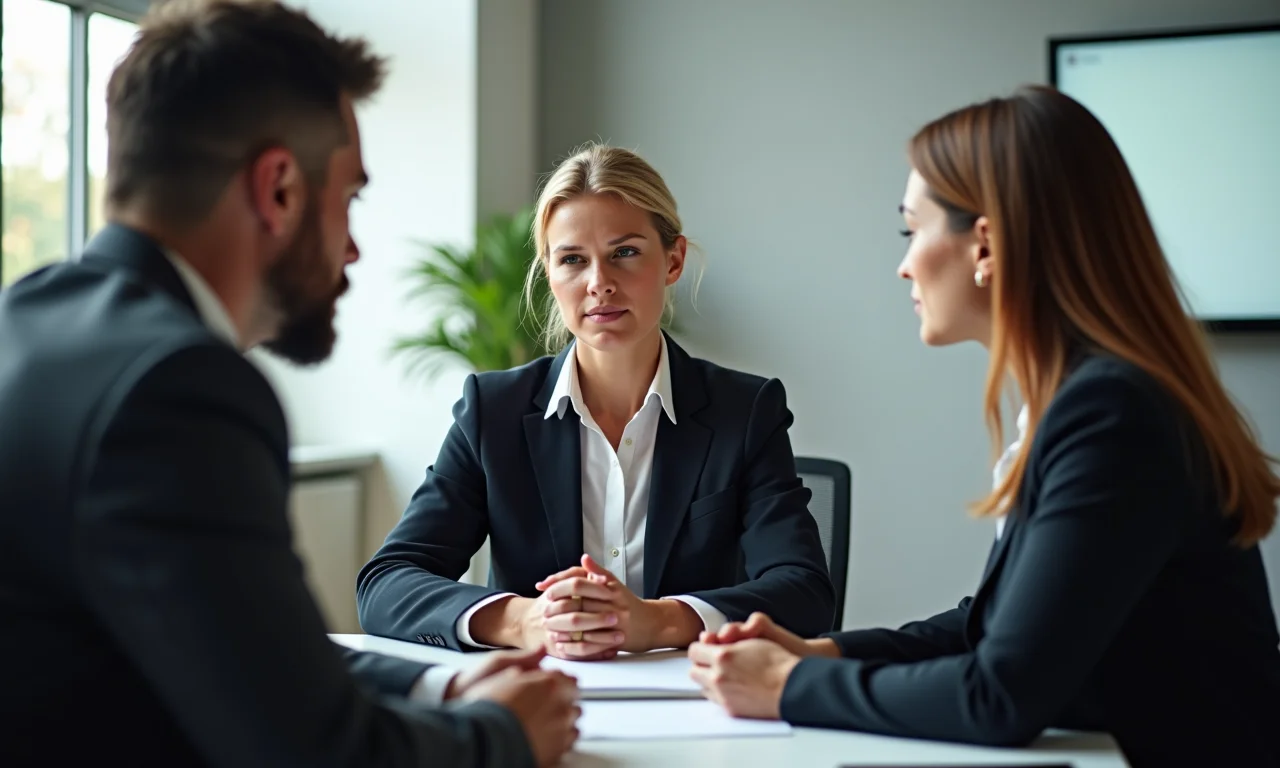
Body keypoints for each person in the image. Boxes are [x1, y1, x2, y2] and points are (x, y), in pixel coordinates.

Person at [0, 2, 578, 766]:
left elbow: (242, 647)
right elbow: (318, 754)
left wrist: (436, 687)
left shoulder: (26, 319)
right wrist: (502, 736)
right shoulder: (177, 390)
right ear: (278, 190)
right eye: (350, 199)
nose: (355, 248)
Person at [687, 85, 1280, 767]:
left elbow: (1000, 694)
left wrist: (790, 687)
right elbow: (991, 627)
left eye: (913, 230)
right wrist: (825, 651)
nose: (904, 263)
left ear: (986, 246)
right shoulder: (1086, 398)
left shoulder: (1111, 415)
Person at [357, 143, 834, 660]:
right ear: (549, 273)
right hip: (538, 696)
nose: (599, 284)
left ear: (673, 260)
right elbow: (387, 584)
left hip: (698, 699)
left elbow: (804, 592)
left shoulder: (744, 411)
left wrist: (659, 620)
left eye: (624, 252)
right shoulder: (492, 411)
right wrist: (525, 621)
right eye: (572, 260)